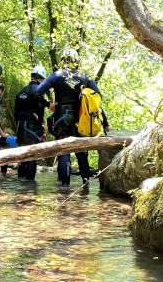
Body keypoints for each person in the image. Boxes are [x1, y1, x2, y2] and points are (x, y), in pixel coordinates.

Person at [35, 47, 106, 187]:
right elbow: (98, 96)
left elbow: (37, 93)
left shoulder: (56, 75)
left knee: (64, 150)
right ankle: (85, 185)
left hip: (61, 116)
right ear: (76, 61)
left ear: (62, 60)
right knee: (81, 151)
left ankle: (64, 186)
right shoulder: (85, 76)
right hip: (80, 117)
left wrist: (48, 105)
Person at [14, 64, 47, 180]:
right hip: (33, 127)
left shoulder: (20, 91)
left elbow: (15, 112)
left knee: (22, 156)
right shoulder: (38, 90)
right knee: (32, 156)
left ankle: (20, 182)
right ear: (41, 78)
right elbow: (40, 109)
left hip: (21, 127)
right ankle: (30, 186)